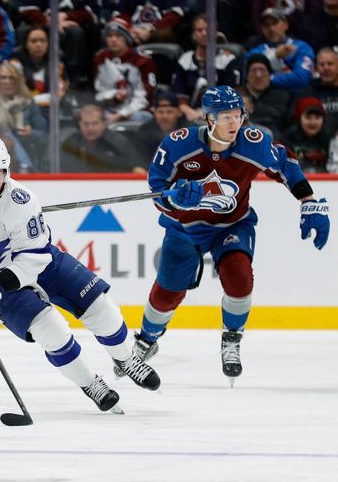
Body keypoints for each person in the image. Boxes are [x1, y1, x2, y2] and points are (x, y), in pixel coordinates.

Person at [0, 137, 161, 414]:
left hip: (38, 263)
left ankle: (125, 359)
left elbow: (33, 257)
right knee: (52, 332)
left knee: (102, 309)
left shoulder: (22, 201)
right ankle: (91, 384)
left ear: (7, 174)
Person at [124, 85, 330, 386]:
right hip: (185, 227)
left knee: (240, 276)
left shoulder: (253, 144)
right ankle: (147, 339)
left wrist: (308, 200)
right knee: (169, 289)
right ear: (208, 119)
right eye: (226, 117)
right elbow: (157, 188)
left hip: (233, 225)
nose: (234, 123)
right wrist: (176, 200)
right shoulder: (179, 146)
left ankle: (231, 339)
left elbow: (284, 164)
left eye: (238, 115)